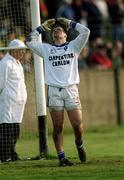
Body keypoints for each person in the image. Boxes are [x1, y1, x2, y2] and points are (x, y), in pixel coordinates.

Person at [26, 17, 90, 166]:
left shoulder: (74, 46)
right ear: (52, 35)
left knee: (77, 124)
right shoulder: (46, 49)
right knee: (58, 126)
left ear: (66, 34)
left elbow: (86, 31)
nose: (56, 31)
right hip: (54, 91)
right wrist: (41, 28)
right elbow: (29, 41)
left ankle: (79, 144)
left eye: (60, 29)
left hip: (71, 90)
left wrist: (70, 23)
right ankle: (62, 158)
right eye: (54, 30)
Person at [0, 39, 27, 163]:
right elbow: (1, 82)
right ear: (13, 50)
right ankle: (4, 156)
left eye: (23, 50)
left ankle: (12, 153)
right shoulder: (5, 63)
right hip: (8, 102)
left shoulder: (17, 63)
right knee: (6, 129)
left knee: (15, 130)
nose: (23, 52)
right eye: (20, 50)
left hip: (18, 103)